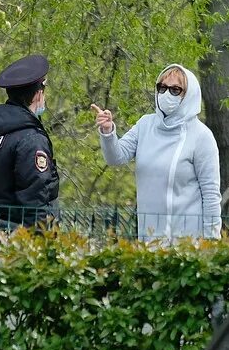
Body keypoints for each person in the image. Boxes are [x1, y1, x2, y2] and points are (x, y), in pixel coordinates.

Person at [92, 63, 221, 240]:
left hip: (189, 245)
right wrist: (107, 132)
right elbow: (116, 157)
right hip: (149, 241)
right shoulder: (145, 124)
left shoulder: (202, 136)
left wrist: (212, 241)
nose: (166, 94)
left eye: (175, 90)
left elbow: (211, 194)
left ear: (189, 95)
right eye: (162, 88)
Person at [0, 54, 59, 228]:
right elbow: (36, 197)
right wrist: (42, 238)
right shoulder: (31, 139)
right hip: (21, 239)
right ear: (38, 94)